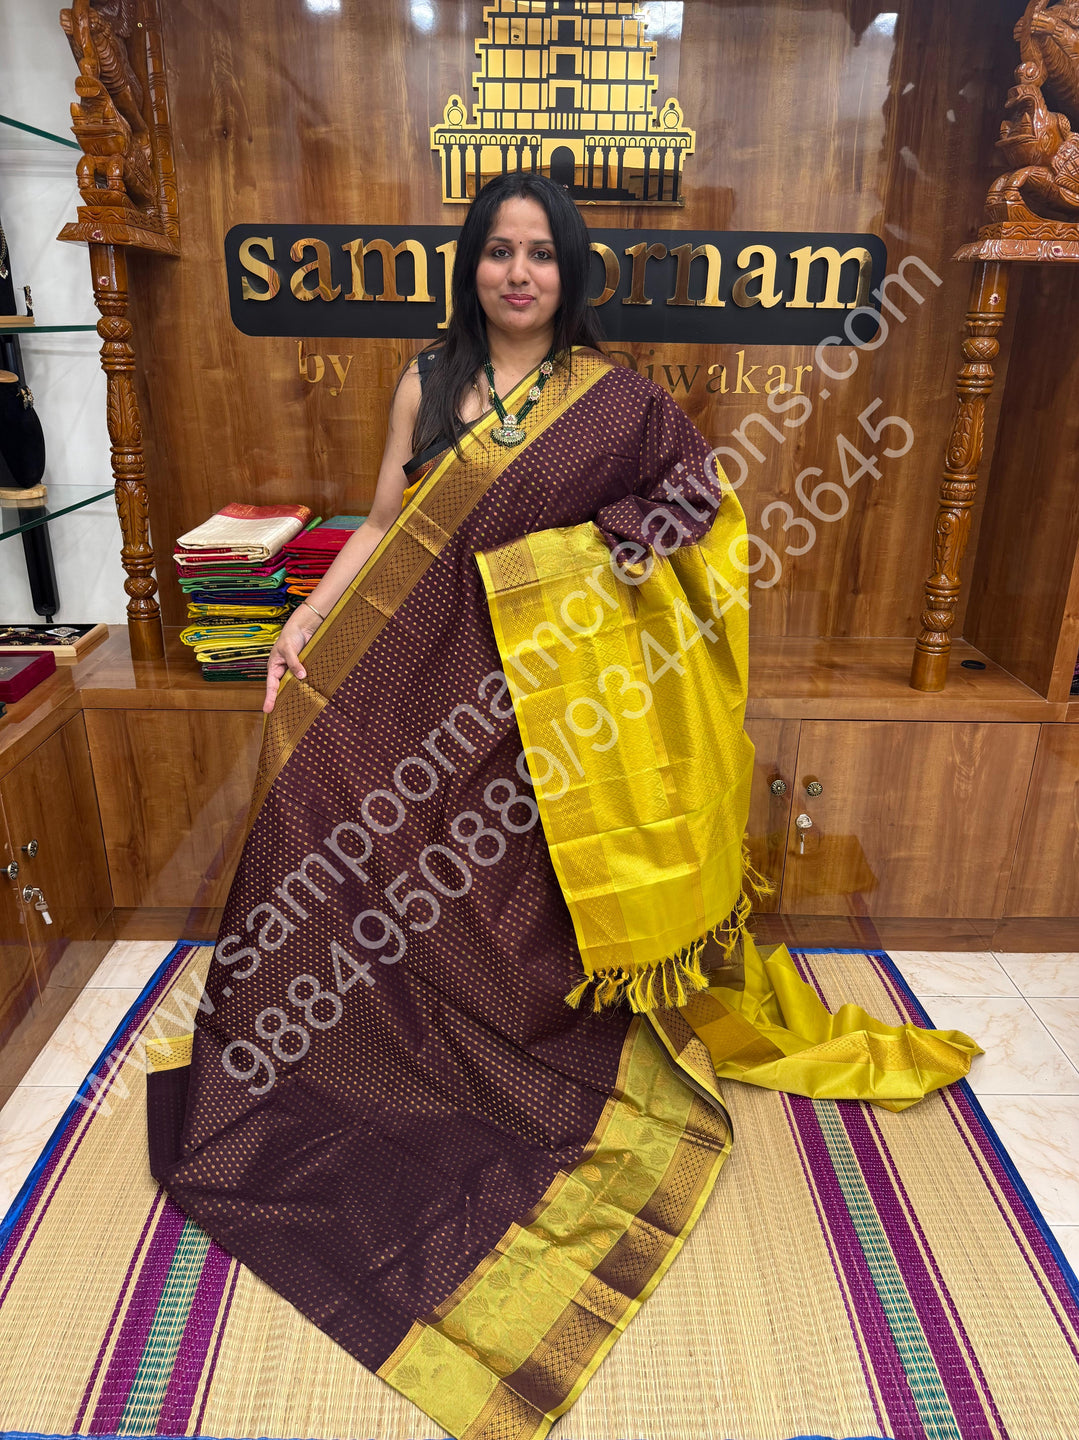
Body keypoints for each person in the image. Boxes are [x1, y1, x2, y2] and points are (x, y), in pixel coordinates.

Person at [147, 173, 978, 1440]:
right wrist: (304, 620)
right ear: (471, 265)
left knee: (491, 873)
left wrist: (582, 562)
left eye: (540, 253)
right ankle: (311, 1044)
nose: (518, 272)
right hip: (415, 671)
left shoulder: (624, 399)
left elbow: (702, 512)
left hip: (545, 707)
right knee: (310, 798)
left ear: (570, 272)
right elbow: (382, 522)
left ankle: (490, 1043)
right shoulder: (427, 384)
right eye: (497, 251)